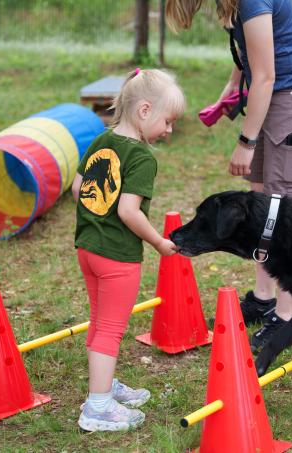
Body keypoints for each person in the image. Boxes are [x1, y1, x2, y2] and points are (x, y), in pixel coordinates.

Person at [165, 0, 292, 352]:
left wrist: (246, 141)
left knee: (281, 213)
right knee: (261, 208)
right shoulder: (233, 2)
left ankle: (285, 317)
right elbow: (250, 52)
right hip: (270, 95)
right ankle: (263, 298)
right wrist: (233, 84)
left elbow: (267, 74)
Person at [72, 68, 185, 431]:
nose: (169, 130)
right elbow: (127, 211)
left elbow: (77, 189)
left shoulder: (101, 140)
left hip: (87, 247)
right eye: (167, 122)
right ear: (145, 110)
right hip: (117, 257)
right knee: (109, 328)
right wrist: (157, 241)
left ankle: (102, 385)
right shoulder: (142, 157)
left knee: (99, 321)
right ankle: (98, 407)